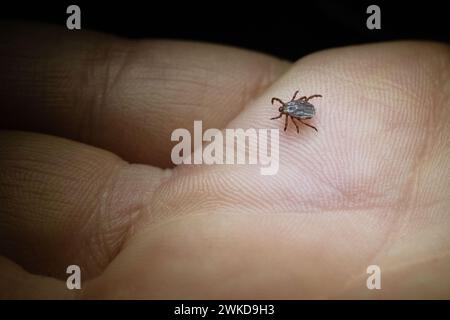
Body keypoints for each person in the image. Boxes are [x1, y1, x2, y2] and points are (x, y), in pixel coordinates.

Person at [0, 21, 449, 299]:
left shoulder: (294, 112)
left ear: (290, 110)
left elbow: (301, 110)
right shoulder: (294, 111)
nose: (286, 114)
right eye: (287, 113)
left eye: (287, 112)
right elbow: (302, 108)